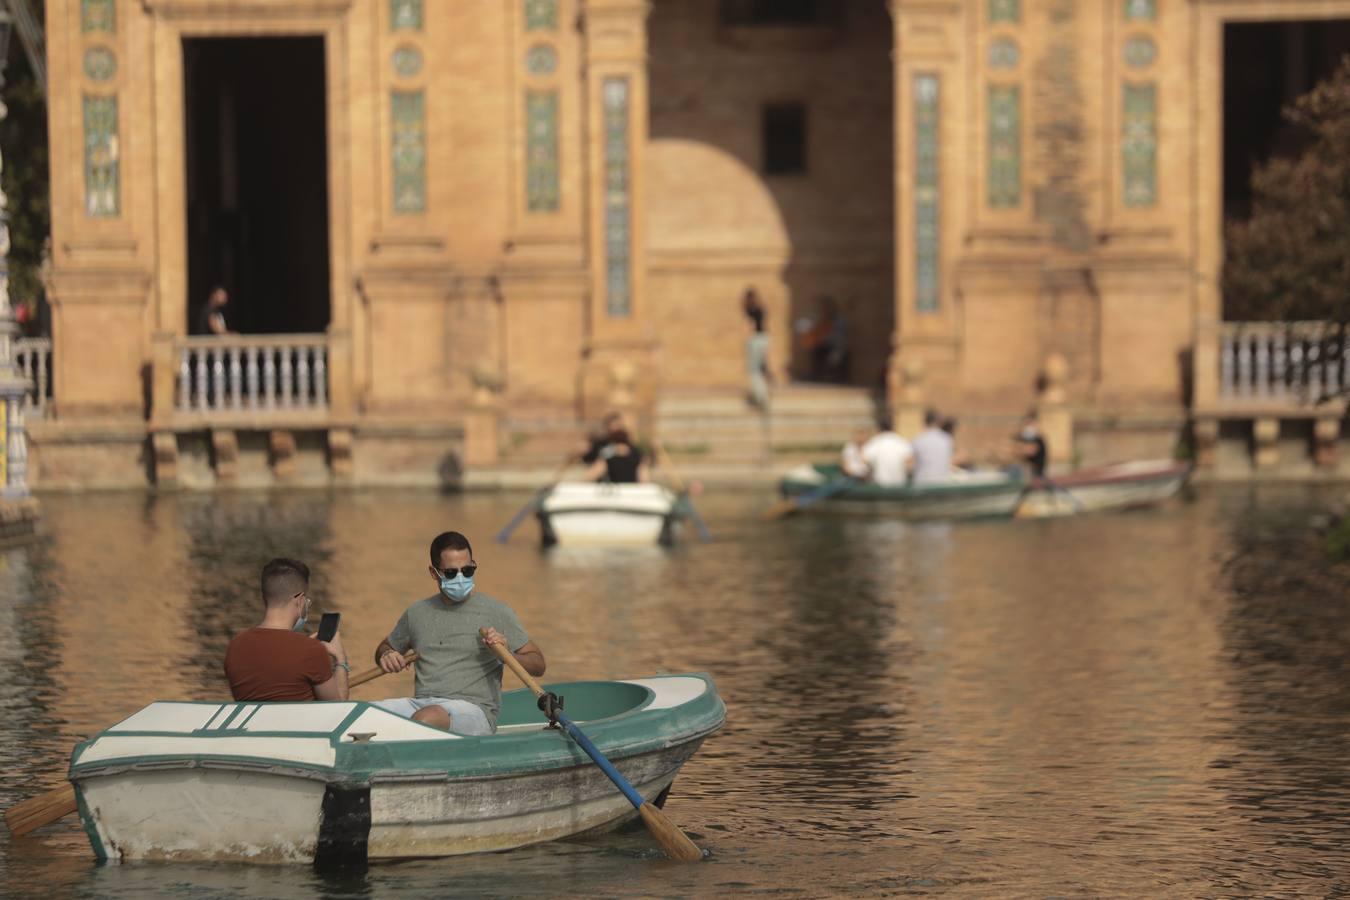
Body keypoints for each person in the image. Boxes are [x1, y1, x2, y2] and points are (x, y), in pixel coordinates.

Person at [374, 531, 546, 734]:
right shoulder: (417, 613)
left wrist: (507, 654)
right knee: (365, 714)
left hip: (474, 711)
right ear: (433, 572)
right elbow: (384, 648)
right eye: (450, 573)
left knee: (427, 718)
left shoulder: (497, 611)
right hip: (422, 704)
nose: (460, 577)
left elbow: (538, 664)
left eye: (467, 570)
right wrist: (387, 655)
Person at [224, 558, 350, 702]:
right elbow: (337, 708)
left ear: (264, 597)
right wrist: (340, 660)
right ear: (301, 600)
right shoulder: (311, 651)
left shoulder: (236, 646)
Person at [580, 412, 649, 483]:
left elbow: (643, 475)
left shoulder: (635, 452)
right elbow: (593, 467)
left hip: (628, 489)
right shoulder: (602, 447)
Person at [860, 417, 913, 487]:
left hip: (879, 487)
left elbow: (864, 460)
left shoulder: (874, 442)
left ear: (879, 428)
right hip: (899, 487)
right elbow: (909, 464)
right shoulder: (902, 442)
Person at [742, 287, 770, 409]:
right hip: (764, 338)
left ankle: (760, 397)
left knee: (754, 370)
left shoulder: (751, 310)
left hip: (756, 339)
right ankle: (762, 395)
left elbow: (750, 326)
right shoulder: (761, 309)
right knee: (759, 368)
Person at [911, 409, 955, 484]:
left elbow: (910, 463)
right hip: (942, 484)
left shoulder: (918, 440)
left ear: (925, 422)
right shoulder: (947, 440)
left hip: (922, 484)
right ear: (938, 423)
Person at [1016, 410, 1048, 480]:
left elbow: (1029, 451)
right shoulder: (1023, 438)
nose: (1028, 427)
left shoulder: (1038, 439)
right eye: (1026, 424)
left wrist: (1020, 449)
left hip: (1035, 473)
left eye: (1030, 424)